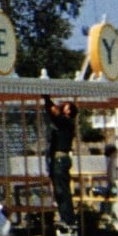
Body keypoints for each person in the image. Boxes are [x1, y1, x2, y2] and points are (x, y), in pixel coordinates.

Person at [44, 95, 77, 228]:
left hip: (60, 159)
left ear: (69, 111)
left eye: (66, 106)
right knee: (60, 190)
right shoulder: (64, 122)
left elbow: (54, 112)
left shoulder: (66, 121)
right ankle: (67, 217)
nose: (63, 106)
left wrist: (47, 98)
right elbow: (53, 113)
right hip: (59, 159)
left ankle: (68, 219)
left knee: (61, 190)